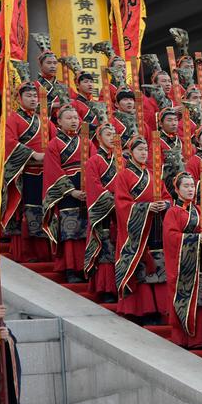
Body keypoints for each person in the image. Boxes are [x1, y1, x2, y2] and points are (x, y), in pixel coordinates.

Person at [112, 136, 171, 323]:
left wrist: (165, 204)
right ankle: (141, 310)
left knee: (158, 263)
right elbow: (121, 204)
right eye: (140, 150)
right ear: (131, 153)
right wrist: (146, 208)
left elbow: (167, 197)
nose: (144, 153)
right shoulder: (124, 175)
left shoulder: (153, 174)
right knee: (141, 266)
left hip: (155, 227)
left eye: (146, 149)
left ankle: (159, 309)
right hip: (137, 230)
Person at [163, 172, 202, 349]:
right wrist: (198, 239)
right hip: (185, 265)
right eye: (186, 186)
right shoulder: (173, 212)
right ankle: (191, 338)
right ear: (177, 190)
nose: (190, 189)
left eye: (192, 186)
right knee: (191, 298)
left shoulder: (200, 210)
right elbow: (171, 237)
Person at [3, 83, 54, 262]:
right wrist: (33, 154)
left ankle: (45, 252)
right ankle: (26, 253)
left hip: (45, 173)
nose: (33, 99)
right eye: (29, 96)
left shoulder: (44, 120)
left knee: (44, 210)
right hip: (24, 172)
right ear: (19, 98)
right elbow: (9, 142)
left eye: (35, 96)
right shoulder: (13, 119)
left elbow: (56, 141)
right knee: (27, 210)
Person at [41, 105, 91, 283]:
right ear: (59, 122)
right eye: (69, 118)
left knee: (87, 230)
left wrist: (90, 189)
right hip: (67, 193)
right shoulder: (54, 144)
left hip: (86, 190)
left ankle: (86, 267)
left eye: (76, 118)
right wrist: (72, 191)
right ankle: (71, 269)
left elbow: (94, 166)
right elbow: (53, 171)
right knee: (70, 230)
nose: (74, 121)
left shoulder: (86, 142)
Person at [84, 123, 119, 301]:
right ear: (99, 137)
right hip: (104, 210)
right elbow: (93, 186)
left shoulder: (121, 160)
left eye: (114, 134)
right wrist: (114, 201)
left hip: (119, 210)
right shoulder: (94, 161)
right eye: (108, 134)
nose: (112, 137)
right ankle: (106, 288)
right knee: (105, 246)